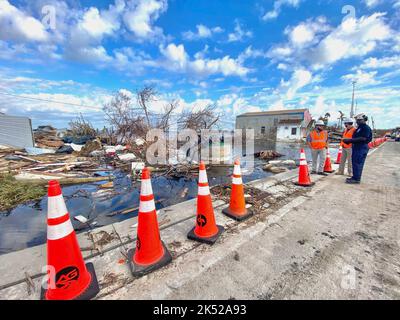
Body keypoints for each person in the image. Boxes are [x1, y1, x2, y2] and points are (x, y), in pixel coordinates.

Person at [342, 113, 373, 184]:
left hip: (361, 148)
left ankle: (357, 179)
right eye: (357, 120)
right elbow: (355, 137)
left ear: (363, 120)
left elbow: (363, 138)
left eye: (359, 120)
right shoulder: (359, 128)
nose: (357, 121)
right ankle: (355, 177)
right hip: (356, 147)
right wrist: (349, 141)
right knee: (355, 162)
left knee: (358, 163)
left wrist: (349, 140)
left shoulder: (366, 128)